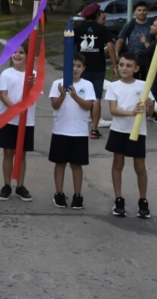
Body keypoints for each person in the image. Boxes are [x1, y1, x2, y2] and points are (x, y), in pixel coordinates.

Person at [105, 53, 155, 218]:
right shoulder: (114, 86)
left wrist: (149, 105)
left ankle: (143, 201)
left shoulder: (143, 85)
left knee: (140, 167)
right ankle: (118, 199)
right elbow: (113, 110)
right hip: (119, 131)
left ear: (136, 68)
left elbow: (150, 112)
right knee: (118, 164)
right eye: (121, 65)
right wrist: (131, 113)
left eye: (128, 65)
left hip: (138, 132)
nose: (124, 68)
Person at [48, 52, 95, 209]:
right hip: (60, 130)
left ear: (83, 68)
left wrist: (75, 96)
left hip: (79, 132)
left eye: (78, 66)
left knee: (76, 165)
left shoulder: (87, 85)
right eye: (72, 65)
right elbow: (55, 105)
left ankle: (77, 195)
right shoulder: (57, 83)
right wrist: (63, 95)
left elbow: (88, 106)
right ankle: (59, 193)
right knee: (60, 163)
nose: (75, 69)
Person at [0, 44, 36, 202]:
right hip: (8, 118)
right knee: (8, 152)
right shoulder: (6, 73)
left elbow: (35, 95)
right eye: (14, 52)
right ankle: (6, 185)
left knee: (21, 154)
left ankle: (20, 186)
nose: (17, 55)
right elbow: (3, 95)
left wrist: (32, 85)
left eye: (21, 52)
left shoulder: (33, 75)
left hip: (26, 121)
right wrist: (15, 109)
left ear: (27, 55)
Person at [74, 3, 117, 139]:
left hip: (81, 67)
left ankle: (76, 126)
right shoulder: (102, 29)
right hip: (98, 67)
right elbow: (111, 47)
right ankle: (94, 129)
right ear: (97, 14)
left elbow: (70, 46)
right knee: (96, 98)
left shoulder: (78, 28)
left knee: (80, 95)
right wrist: (114, 64)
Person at [115, 1, 152, 79]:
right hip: (132, 60)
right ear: (135, 11)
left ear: (147, 11)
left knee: (147, 81)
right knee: (133, 81)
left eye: (144, 10)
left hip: (148, 60)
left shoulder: (151, 25)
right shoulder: (129, 25)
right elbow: (120, 40)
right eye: (139, 10)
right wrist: (116, 54)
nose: (142, 12)